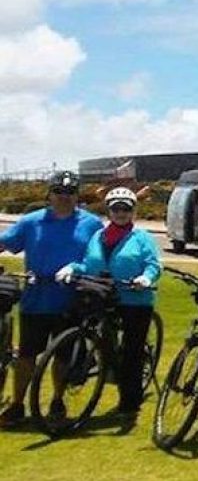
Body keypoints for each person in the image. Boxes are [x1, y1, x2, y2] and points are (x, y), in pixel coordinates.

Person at [0, 171, 104, 427]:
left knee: (62, 356)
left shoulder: (91, 224)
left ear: (77, 196)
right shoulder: (31, 221)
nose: (64, 198)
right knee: (26, 355)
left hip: (70, 299)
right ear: (50, 194)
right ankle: (17, 405)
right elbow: (5, 243)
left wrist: (77, 268)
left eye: (70, 193)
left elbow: (98, 256)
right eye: (59, 192)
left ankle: (57, 400)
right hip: (36, 298)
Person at [55, 187, 161, 419]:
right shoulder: (98, 236)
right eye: (116, 208)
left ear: (133, 211)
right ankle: (89, 365)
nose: (121, 213)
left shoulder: (142, 238)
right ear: (109, 210)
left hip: (134, 298)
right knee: (92, 333)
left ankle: (129, 402)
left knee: (132, 351)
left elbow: (153, 264)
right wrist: (71, 268)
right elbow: (87, 263)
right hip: (102, 295)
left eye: (126, 208)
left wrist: (146, 278)